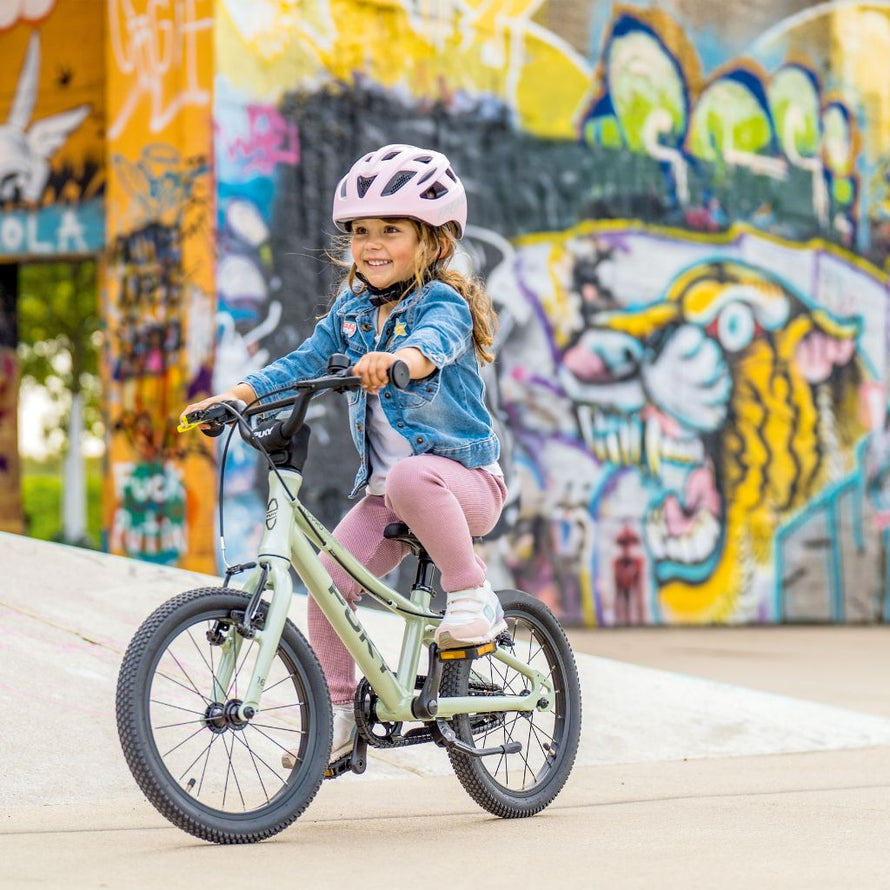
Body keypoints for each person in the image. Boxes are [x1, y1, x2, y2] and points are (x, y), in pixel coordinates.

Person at [182, 143, 507, 765]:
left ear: (435, 242)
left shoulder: (443, 303)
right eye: (361, 231)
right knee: (326, 584)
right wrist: (238, 395)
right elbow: (304, 360)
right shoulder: (351, 312)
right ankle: (337, 716)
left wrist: (399, 361)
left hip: (463, 485)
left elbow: (434, 345)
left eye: (392, 229)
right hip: (392, 498)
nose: (372, 243)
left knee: (413, 475)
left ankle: (474, 597)